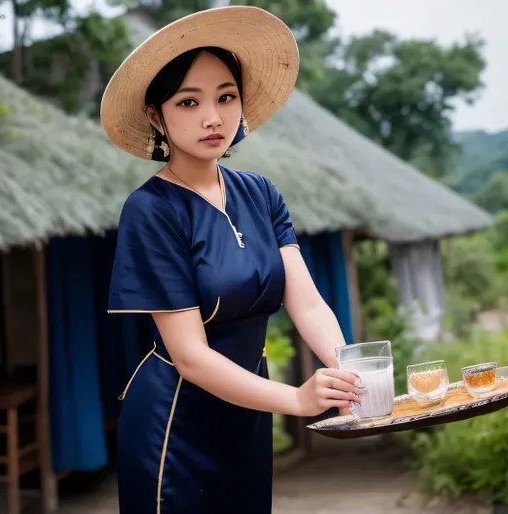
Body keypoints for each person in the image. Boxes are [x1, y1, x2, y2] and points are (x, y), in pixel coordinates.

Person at [100, 6, 366, 514]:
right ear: (157, 115)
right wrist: (297, 399)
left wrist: (350, 372)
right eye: (188, 101)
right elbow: (191, 356)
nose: (212, 117)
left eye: (226, 97)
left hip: (246, 412)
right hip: (176, 419)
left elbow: (307, 304)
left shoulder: (262, 193)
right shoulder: (151, 210)